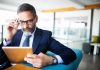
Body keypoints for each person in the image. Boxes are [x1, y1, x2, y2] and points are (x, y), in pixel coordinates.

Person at [1, 3, 76, 68]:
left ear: (36, 19)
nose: (25, 26)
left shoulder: (45, 36)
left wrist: (50, 60)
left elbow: (70, 53)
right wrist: (8, 38)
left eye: (29, 21)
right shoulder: (14, 33)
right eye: (22, 22)